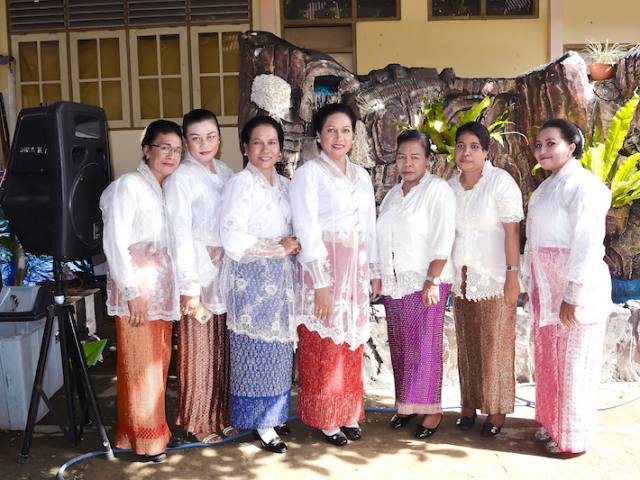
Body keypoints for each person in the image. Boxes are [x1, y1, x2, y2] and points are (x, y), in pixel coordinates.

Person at [290, 103, 381, 447]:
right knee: (324, 341)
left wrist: (373, 271)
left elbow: (369, 227)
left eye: (345, 130)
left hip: (355, 269)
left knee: (350, 341)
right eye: (331, 130)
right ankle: (326, 418)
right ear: (319, 135)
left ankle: (347, 411)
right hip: (325, 268)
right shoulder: (309, 174)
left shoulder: (362, 176)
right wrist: (320, 283)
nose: (338, 137)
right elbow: (307, 228)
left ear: (354, 135)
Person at [523, 119, 612, 454]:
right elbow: (532, 241)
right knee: (549, 361)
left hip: (574, 290)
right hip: (547, 292)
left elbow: (588, 243)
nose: (542, 150)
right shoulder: (545, 189)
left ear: (571, 147)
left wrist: (573, 294)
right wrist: (532, 285)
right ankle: (552, 424)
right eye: (538, 145)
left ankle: (573, 437)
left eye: (551, 143)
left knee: (574, 365)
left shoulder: (586, 187)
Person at [99, 119, 183, 462]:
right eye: (164, 147)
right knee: (140, 365)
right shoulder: (128, 186)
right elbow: (114, 242)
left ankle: (139, 432)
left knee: (155, 363)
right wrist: (131, 290)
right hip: (138, 290)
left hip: (159, 291)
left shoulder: (162, 187)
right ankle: (147, 441)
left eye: (177, 150)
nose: (171, 155)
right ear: (147, 149)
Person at [219, 115, 300, 454]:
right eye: (257, 142)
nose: (265, 149)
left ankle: (274, 414)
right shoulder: (241, 183)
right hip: (251, 277)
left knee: (279, 350)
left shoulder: (284, 185)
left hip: (281, 278)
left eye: (271, 142)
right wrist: (276, 247)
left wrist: (291, 245)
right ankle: (261, 423)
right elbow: (231, 236)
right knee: (255, 348)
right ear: (245, 148)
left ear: (280, 148)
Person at [377, 130, 456, 439]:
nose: (407, 163)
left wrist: (432, 279)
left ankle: (432, 411)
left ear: (428, 160)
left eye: (415, 157)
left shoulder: (437, 190)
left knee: (424, 346)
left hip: (425, 281)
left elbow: (444, 236)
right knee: (401, 347)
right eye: (401, 157)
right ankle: (407, 405)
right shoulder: (393, 194)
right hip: (395, 283)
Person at [163, 109, 235, 444]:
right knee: (199, 351)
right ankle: (197, 420)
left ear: (219, 139)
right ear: (186, 141)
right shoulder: (180, 179)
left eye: (210, 136)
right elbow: (178, 234)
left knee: (223, 350)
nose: (204, 144)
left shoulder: (226, 172)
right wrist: (189, 287)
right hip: (198, 274)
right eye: (195, 138)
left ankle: (222, 415)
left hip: (226, 274)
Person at [449, 121, 523, 436]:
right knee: (466, 345)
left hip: (493, 276)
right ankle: (468, 405)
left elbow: (512, 232)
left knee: (495, 345)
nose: (466, 152)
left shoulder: (500, 182)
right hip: (461, 278)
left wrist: (512, 276)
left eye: (474, 146)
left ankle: (496, 410)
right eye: (461, 146)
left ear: (486, 151)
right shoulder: (450, 186)